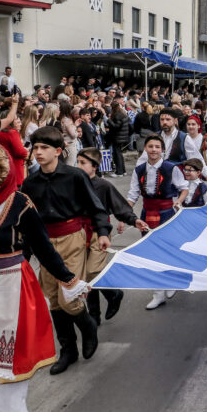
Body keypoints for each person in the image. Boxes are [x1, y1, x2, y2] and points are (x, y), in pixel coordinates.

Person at [0, 144, 82, 412]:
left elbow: (43, 247)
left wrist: (68, 279)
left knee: (8, 354)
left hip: (11, 285)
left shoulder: (19, 203)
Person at [21, 126, 111, 375]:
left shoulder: (75, 176)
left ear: (58, 151)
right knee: (52, 300)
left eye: (43, 148)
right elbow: (27, 223)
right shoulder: (30, 183)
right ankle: (68, 350)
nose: (37, 152)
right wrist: (24, 256)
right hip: (45, 245)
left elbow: (96, 207)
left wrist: (103, 232)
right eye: (34, 147)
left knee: (69, 297)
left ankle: (89, 327)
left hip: (72, 239)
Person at [76, 147, 148, 325]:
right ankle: (94, 314)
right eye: (77, 162)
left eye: (82, 163)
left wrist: (133, 219)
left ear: (94, 166)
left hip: (99, 232)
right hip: (78, 232)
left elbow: (119, 206)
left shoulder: (103, 185)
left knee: (93, 271)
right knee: (85, 274)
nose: (78, 166)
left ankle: (113, 293)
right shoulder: (73, 183)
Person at [127, 134, 188, 310]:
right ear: (145, 149)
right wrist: (124, 215)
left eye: (157, 147)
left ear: (163, 150)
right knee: (150, 252)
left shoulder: (171, 168)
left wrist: (178, 201)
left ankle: (171, 281)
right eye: (150, 146)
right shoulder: (139, 169)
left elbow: (183, 187)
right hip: (147, 213)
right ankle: (157, 293)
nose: (154, 150)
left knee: (168, 250)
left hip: (167, 213)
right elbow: (133, 194)